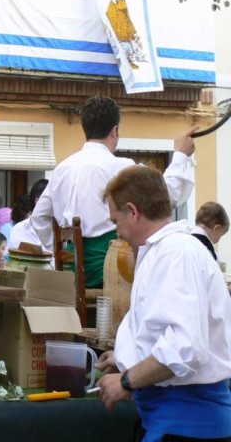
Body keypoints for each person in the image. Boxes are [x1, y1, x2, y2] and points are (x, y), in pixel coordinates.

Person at [97, 165, 231, 441]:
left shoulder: (176, 253)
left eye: (115, 221)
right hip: (172, 421)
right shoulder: (164, 251)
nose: (117, 232)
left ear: (133, 211)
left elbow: (185, 347)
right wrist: (127, 355)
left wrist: (126, 381)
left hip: (189, 424)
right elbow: (163, 330)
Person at [31, 96, 196, 288]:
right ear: (115, 131)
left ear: (85, 129)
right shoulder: (122, 168)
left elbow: (39, 217)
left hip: (70, 275)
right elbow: (167, 195)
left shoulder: (62, 169)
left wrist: (57, 249)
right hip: (111, 274)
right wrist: (180, 155)